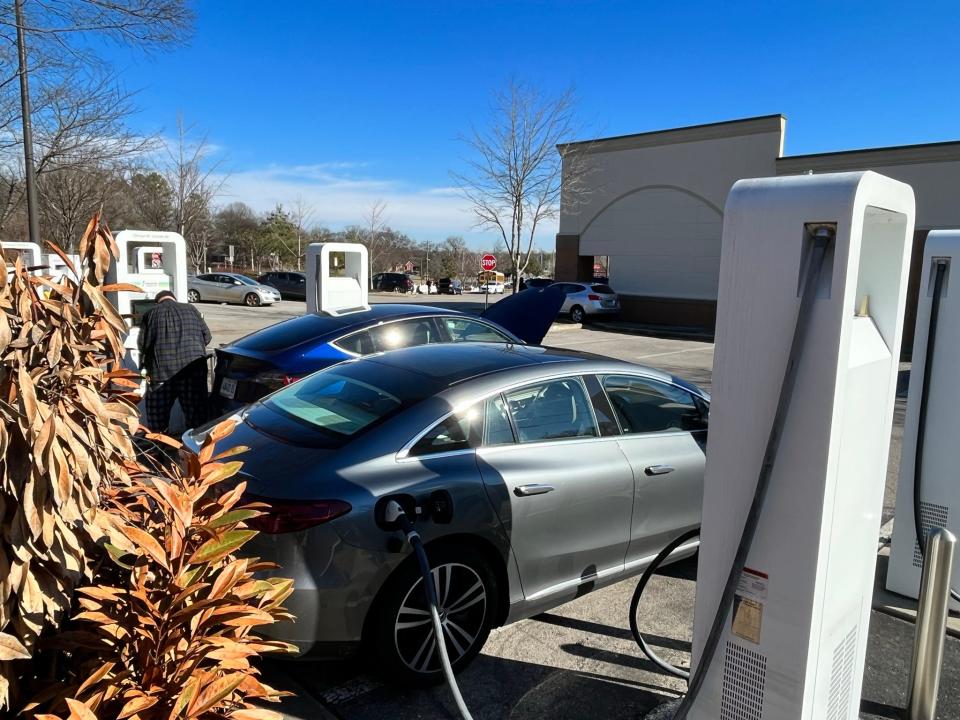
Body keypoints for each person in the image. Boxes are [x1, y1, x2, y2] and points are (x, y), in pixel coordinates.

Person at [138, 289, 212, 433]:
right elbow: (207, 337)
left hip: (161, 374)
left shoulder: (151, 313)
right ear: (174, 298)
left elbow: (143, 345)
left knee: (157, 421)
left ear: (157, 302)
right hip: (192, 372)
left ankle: (160, 451)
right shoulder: (191, 309)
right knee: (197, 419)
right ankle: (195, 451)